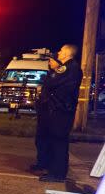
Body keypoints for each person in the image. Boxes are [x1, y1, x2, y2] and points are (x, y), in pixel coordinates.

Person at [30, 44, 82, 182]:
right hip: (57, 111)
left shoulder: (71, 68)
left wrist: (51, 82)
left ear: (67, 53)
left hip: (61, 112)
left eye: (61, 50)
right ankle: (53, 170)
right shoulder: (66, 68)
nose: (59, 52)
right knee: (54, 141)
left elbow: (52, 82)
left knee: (59, 142)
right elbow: (51, 82)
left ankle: (57, 174)